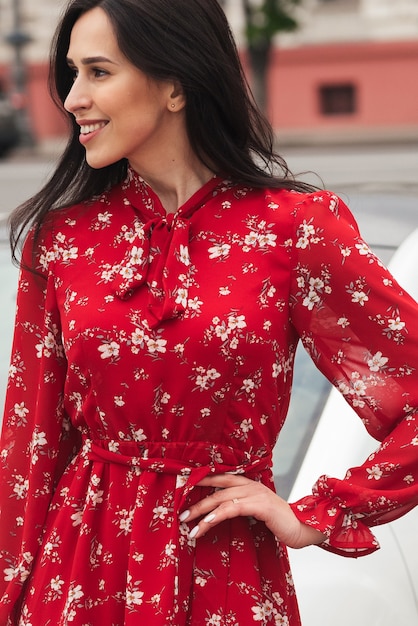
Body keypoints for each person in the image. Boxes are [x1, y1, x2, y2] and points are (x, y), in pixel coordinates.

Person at [0, 0, 417, 624]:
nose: (71, 98)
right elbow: (30, 447)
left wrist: (320, 513)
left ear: (174, 84)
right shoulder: (64, 237)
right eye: (71, 74)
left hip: (224, 573)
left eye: (97, 72)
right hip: (78, 576)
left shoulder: (294, 229)